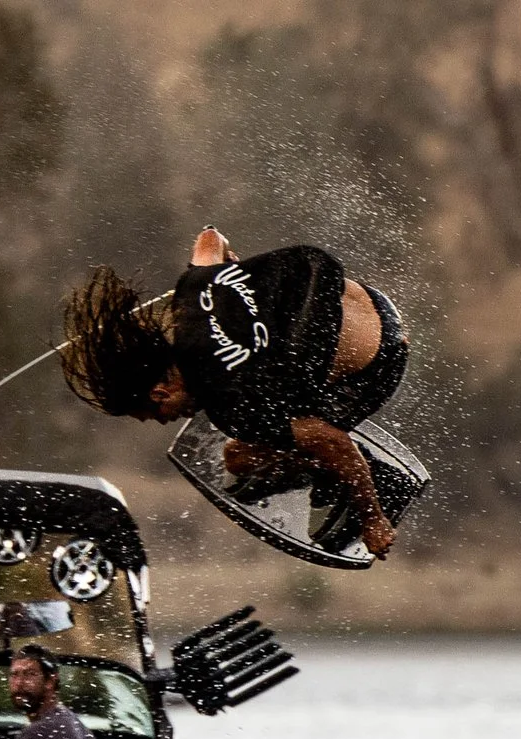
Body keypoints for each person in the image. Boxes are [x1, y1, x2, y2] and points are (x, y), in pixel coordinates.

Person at [59, 226, 410, 556]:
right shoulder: (191, 296)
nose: (166, 422)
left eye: (156, 416)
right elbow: (210, 239)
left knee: (240, 459)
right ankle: (329, 472)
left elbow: (331, 440)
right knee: (270, 414)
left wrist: (373, 520)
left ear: (160, 393)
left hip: (382, 360)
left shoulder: (233, 406)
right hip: (369, 300)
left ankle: (372, 480)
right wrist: (231, 271)